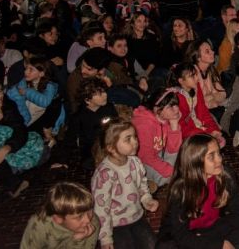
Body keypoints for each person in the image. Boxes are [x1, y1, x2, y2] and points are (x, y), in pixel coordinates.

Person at [156, 134, 239, 249]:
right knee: (165, 246)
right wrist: (218, 244)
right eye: (211, 157)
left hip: (212, 229)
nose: (219, 159)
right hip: (187, 234)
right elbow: (181, 236)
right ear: (195, 162)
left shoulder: (226, 176)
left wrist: (211, 239)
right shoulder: (181, 190)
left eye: (218, 153)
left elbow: (238, 214)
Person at [91, 120, 158, 249]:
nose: (135, 142)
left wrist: (146, 199)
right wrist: (105, 238)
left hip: (136, 217)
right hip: (115, 224)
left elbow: (142, 185)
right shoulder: (105, 174)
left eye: (135, 137)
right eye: (128, 139)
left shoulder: (135, 162)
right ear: (111, 147)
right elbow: (101, 209)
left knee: (153, 245)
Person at [20, 182, 99, 249]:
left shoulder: (93, 223)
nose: (88, 219)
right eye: (79, 217)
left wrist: (77, 241)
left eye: (89, 210)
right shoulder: (39, 224)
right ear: (58, 218)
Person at [7, 56, 65, 146]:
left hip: (42, 119)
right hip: (28, 117)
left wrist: (27, 92)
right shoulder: (25, 81)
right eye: (26, 68)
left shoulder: (50, 86)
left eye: (31, 69)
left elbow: (45, 101)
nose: (26, 72)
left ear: (41, 73)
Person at [132, 88, 183, 187]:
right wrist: (169, 170)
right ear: (157, 109)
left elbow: (173, 149)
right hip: (142, 162)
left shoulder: (166, 117)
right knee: (167, 177)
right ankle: (160, 188)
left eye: (176, 104)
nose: (176, 109)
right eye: (170, 107)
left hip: (158, 154)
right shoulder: (143, 124)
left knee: (182, 156)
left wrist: (174, 124)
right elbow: (146, 156)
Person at [66, 79, 118, 170]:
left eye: (104, 91)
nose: (105, 95)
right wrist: (62, 161)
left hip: (110, 146)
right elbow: (69, 140)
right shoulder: (78, 117)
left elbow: (117, 127)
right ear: (87, 100)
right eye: (99, 93)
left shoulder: (109, 108)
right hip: (91, 153)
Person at [171, 63, 225, 146]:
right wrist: (205, 133)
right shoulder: (177, 98)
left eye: (196, 74)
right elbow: (182, 125)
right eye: (192, 76)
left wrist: (213, 130)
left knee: (220, 140)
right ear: (181, 81)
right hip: (187, 133)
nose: (197, 78)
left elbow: (204, 112)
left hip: (198, 127)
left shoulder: (196, 88)